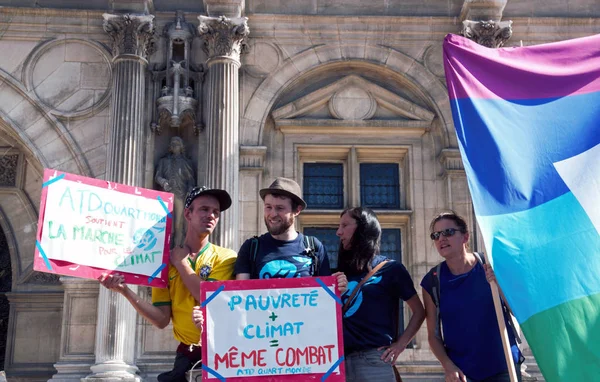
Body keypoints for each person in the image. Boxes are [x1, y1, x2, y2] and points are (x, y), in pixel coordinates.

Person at [99, 186, 236, 382]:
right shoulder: (163, 263)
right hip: (186, 355)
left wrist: (181, 264)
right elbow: (161, 319)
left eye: (216, 212)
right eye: (204, 209)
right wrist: (125, 291)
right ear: (188, 213)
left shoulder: (226, 257)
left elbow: (207, 296)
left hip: (221, 351)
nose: (211, 216)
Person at [420, 211, 522, 382]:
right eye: (436, 235)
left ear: (465, 237)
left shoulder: (490, 266)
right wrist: (448, 366)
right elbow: (433, 335)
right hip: (463, 373)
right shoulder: (432, 281)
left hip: (504, 366)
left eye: (448, 232)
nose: (441, 239)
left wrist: (499, 285)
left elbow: (517, 310)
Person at [337, 207, 425, 382]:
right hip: (339, 363)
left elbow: (419, 311)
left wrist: (400, 345)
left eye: (345, 225)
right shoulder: (342, 272)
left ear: (363, 228)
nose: (338, 232)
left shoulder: (390, 269)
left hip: (373, 361)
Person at [234, 177, 347, 292]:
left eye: (280, 208)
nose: (272, 214)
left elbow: (324, 296)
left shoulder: (315, 247)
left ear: (297, 210)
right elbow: (241, 296)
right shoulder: (251, 247)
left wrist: (336, 286)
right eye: (268, 207)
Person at [155, 136, 196, 247]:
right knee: (164, 223)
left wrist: (190, 189)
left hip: (180, 195)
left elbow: (190, 180)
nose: (174, 146)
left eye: (177, 144)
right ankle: (164, 247)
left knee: (179, 223)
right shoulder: (163, 161)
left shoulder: (185, 163)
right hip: (165, 195)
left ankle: (177, 247)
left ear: (181, 147)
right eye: (172, 144)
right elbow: (157, 176)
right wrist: (163, 182)